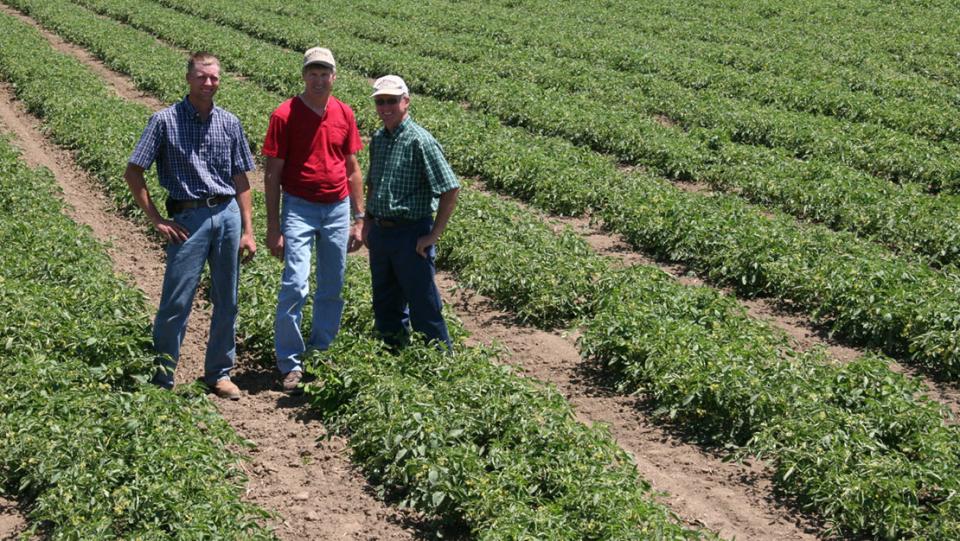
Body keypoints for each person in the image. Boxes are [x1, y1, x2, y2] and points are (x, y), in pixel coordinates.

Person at [124, 52, 256, 400]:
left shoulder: (230, 122)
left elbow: (241, 178)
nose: (208, 83)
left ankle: (219, 373)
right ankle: (162, 377)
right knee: (177, 300)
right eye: (202, 76)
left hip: (226, 213)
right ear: (188, 78)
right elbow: (133, 171)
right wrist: (156, 219)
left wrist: (248, 230)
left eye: (214, 77)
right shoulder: (164, 121)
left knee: (227, 297)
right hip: (187, 218)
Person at [263, 47, 365, 392]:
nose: (319, 80)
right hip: (299, 207)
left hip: (337, 208)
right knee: (295, 283)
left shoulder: (344, 113)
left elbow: (352, 169)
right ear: (304, 76)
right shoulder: (284, 115)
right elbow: (272, 175)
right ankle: (290, 362)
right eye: (313, 73)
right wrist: (273, 227)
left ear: (334, 77)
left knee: (332, 286)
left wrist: (359, 218)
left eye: (325, 74)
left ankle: (322, 353)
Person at [362, 75, 460, 351]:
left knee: (424, 305)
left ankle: (441, 363)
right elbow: (373, 184)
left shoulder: (421, 141)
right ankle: (394, 357)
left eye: (392, 101)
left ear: (406, 102)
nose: (385, 107)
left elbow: (450, 189)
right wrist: (367, 222)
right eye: (380, 102)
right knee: (385, 304)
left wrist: (433, 235)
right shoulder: (379, 139)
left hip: (411, 233)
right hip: (382, 233)